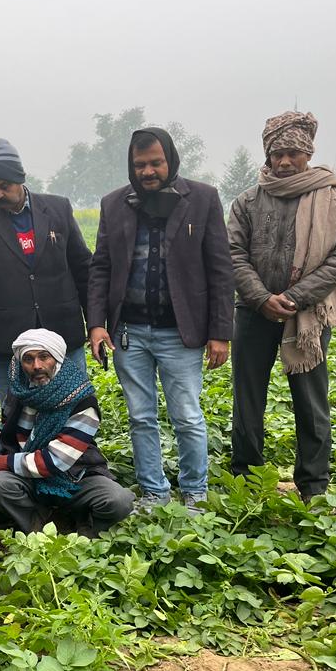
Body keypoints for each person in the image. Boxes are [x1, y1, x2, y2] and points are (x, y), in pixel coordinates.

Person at [86, 128, 234, 514]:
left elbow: (221, 270)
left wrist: (220, 332)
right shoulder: (115, 203)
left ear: (170, 160)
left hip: (180, 333)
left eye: (155, 163)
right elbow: (101, 266)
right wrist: (97, 324)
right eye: (140, 165)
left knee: (187, 415)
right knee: (140, 417)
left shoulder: (202, 199)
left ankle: (195, 491)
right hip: (129, 332)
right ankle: (154, 493)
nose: (147, 171)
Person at [227, 111, 336, 501]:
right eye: (276, 154)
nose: (284, 162)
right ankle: (246, 478)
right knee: (248, 398)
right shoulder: (247, 201)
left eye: (292, 154)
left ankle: (313, 486)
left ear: (308, 154)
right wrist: (261, 297)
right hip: (253, 313)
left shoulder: (334, 197)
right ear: (267, 156)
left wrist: (295, 297)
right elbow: (233, 254)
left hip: (308, 316)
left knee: (310, 399)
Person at [0, 139, 92, 406]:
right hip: (9, 337)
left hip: (62, 330)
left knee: (75, 405)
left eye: (4, 186)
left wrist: (96, 322)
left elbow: (83, 268)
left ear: (20, 179)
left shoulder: (58, 209)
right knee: (15, 413)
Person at [0, 329, 134, 535]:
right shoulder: (19, 391)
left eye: (44, 357)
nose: (36, 366)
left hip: (76, 476)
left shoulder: (81, 399)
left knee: (119, 501)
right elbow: (5, 431)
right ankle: (37, 525)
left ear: (57, 358)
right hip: (29, 476)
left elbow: (55, 461)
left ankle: (82, 530)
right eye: (28, 359)